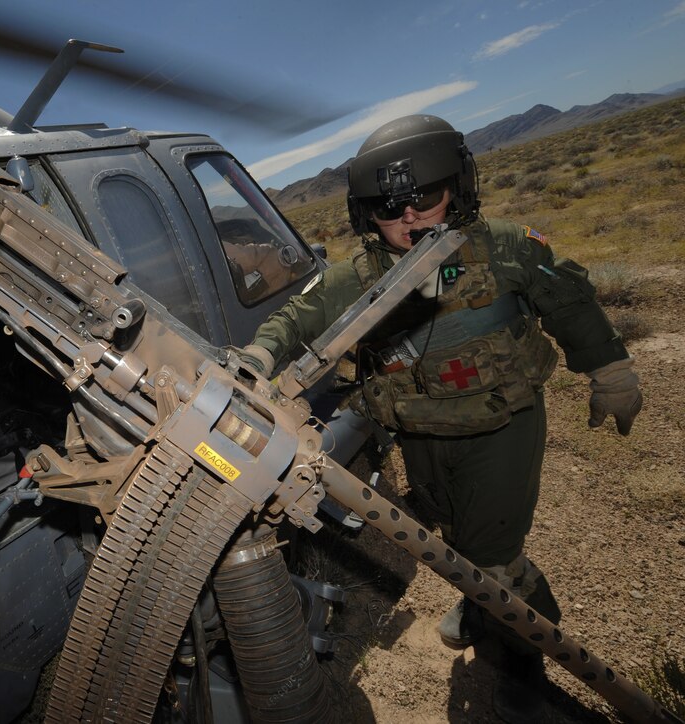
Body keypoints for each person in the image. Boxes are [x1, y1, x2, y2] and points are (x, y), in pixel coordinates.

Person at [239, 115, 642, 721]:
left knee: (495, 561)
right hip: (422, 436)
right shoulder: (362, 277)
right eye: (389, 209)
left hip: (501, 429)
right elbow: (296, 317)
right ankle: (482, 605)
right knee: (456, 538)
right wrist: (256, 357)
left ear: (457, 187)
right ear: (366, 214)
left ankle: (524, 666)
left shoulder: (507, 247)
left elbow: (571, 303)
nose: (410, 218)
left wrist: (610, 372)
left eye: (425, 198)